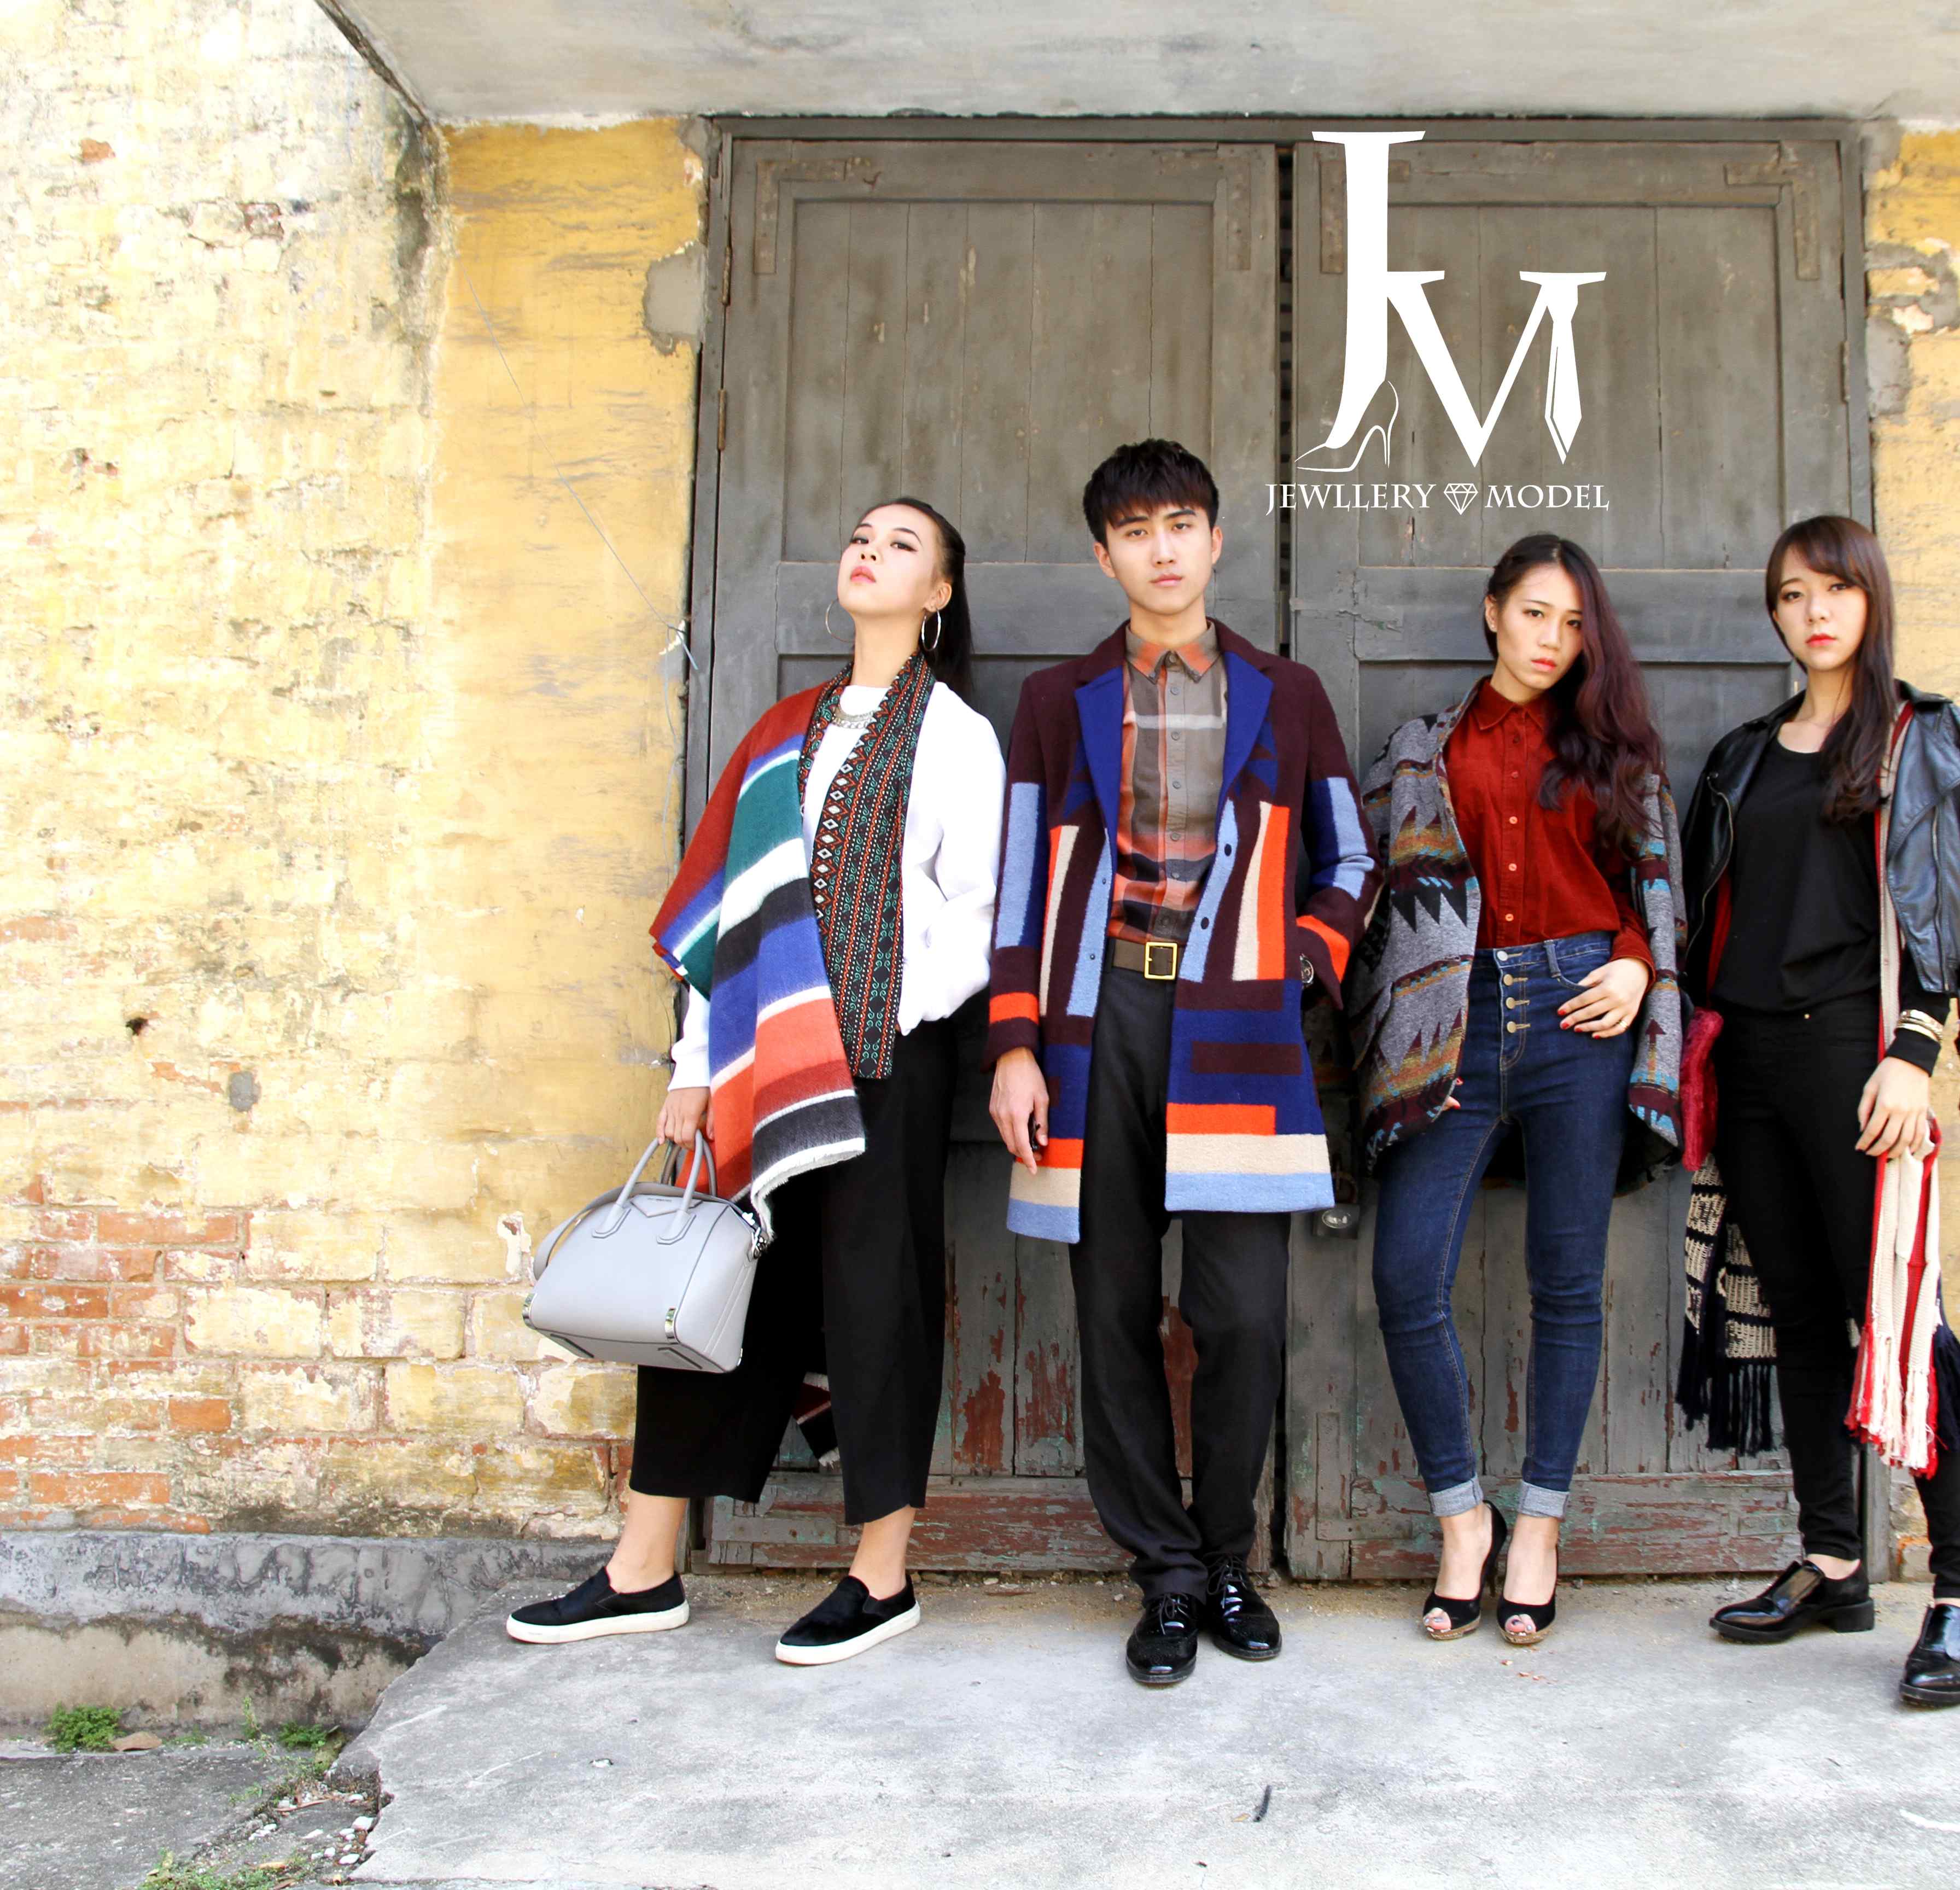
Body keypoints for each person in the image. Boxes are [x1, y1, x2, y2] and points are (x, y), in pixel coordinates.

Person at [506, 498, 1005, 1667]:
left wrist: (874, 1015)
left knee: (876, 1300)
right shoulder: (783, 732)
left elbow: (974, 915)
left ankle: (881, 1577)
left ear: (938, 594)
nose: (869, 552)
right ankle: (643, 1568)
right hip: (753, 1064)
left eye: (901, 546)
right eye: (862, 537)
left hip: (884, 1061)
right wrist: (696, 1065)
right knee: (715, 1287)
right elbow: (733, 918)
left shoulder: (956, 737)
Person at [984, 439, 1379, 1687]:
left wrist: (1296, 958)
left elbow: (1352, 859)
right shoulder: (1057, 701)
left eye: (1180, 525)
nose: (1161, 550)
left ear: (1216, 540)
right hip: (1092, 1020)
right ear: (1104, 556)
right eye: (1135, 531)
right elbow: (1017, 879)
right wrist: (1013, 1042)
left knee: (1243, 1315)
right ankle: (1162, 1576)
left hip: (1239, 1023)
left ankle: (1225, 1559)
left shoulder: (1287, 692)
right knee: (1110, 1309)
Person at [1677, 513, 1960, 1707]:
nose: (1814, 611)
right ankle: (1832, 1563)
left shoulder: (1927, 741)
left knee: (1903, 1317)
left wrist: (1918, 1053)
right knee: (1803, 1322)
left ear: (1871, 598)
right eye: (1791, 594)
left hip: (1858, 1061)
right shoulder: (1742, 757)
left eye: (1835, 588)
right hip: (1752, 1064)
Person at [1345, 534, 1684, 1648]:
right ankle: (1464, 1520)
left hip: (1585, 1015)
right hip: (1459, 1019)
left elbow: (1650, 885)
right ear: (1493, 612)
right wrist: (1410, 1027)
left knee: (1568, 1285)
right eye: (1536, 614)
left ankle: (1538, 1526)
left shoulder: (1614, 748)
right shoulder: (1421, 750)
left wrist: (1635, 963)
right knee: (1407, 1276)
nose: (1553, 639)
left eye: (1575, 624)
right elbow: (1384, 903)